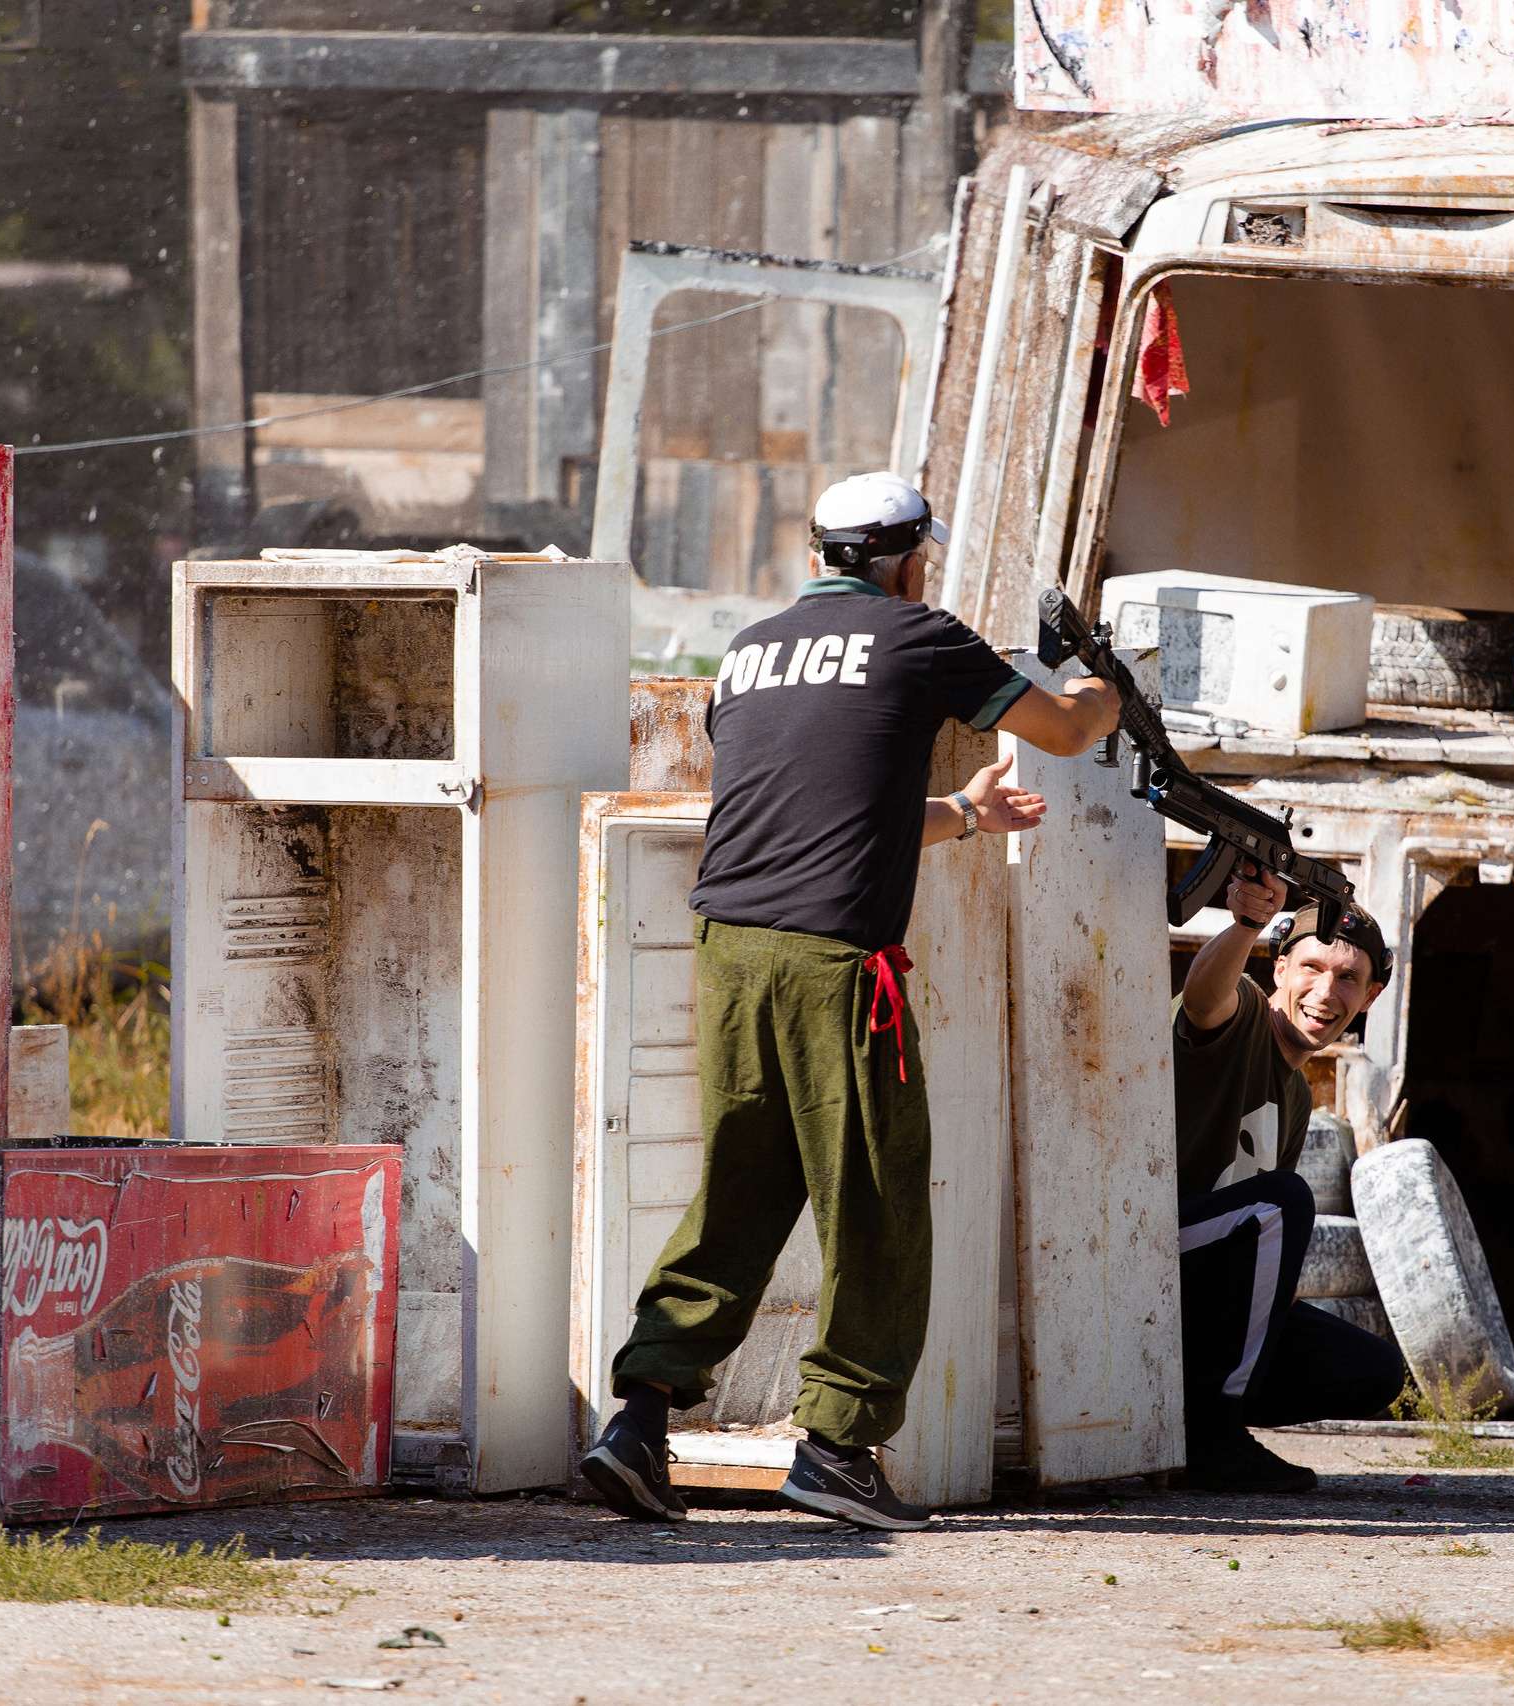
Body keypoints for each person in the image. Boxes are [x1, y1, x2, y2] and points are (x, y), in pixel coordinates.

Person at [582, 471, 1121, 1533]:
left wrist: (963, 813)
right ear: (907, 560)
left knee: (740, 1190)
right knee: (875, 1198)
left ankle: (637, 1421)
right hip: (835, 963)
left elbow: (829, 807)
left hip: (730, 953)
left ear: (820, 552)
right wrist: (1106, 689)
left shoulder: (750, 651)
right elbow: (1063, 729)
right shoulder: (920, 636)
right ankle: (837, 1447)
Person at [1172, 862, 1408, 1493]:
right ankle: (1211, 1440)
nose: (1326, 992)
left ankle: (1180, 1411)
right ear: (1278, 970)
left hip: (1201, 1288)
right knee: (1281, 1201)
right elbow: (1203, 999)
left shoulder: (1297, 1097)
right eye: (1311, 968)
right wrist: (1245, 924)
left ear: (1370, 997)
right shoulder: (1243, 1015)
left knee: (1375, 1370)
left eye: (1348, 978)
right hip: (1141, 1248)